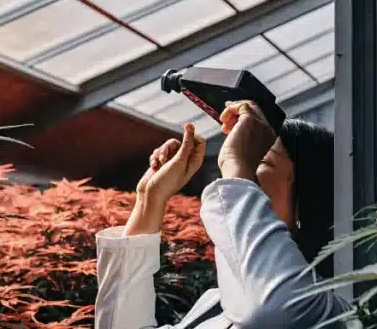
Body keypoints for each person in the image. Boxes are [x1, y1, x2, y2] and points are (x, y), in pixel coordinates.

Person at [94, 100, 350, 328]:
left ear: (308, 196)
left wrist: (236, 163)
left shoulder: (329, 308)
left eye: (259, 159)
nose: (235, 170)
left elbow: (272, 311)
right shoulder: (214, 304)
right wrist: (149, 199)